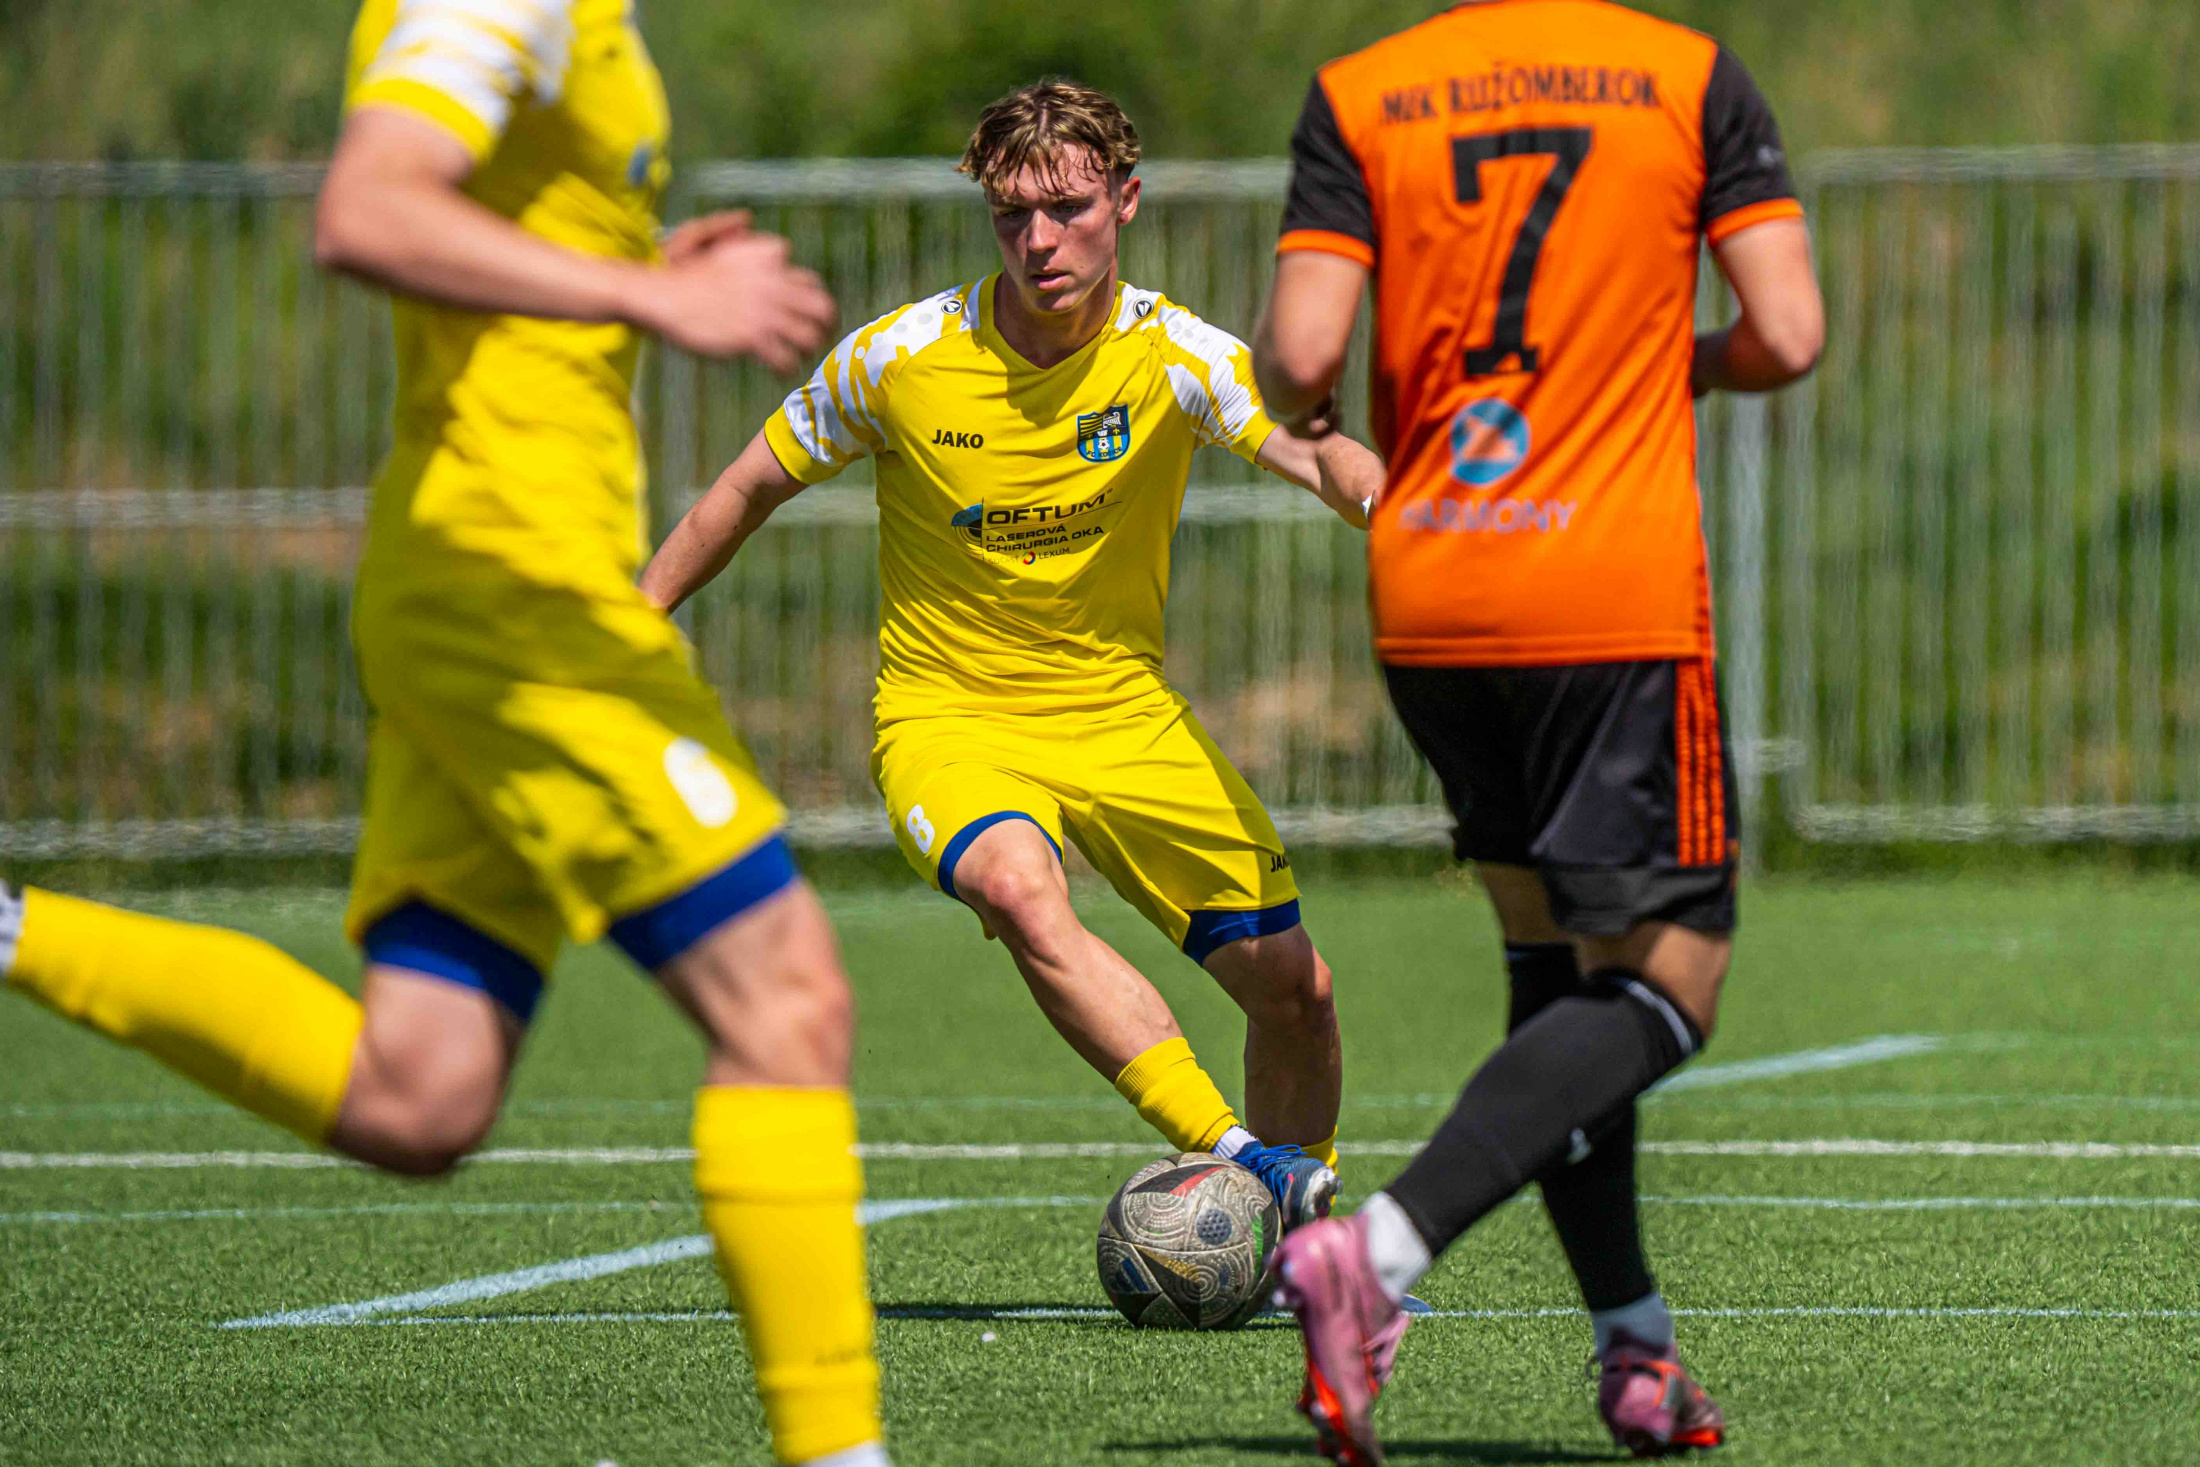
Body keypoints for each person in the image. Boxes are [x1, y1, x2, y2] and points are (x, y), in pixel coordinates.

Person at [0, 4, 889, 1464]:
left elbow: (495, 243)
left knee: (417, 1095)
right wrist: (652, 296)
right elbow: (367, 208)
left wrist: (635, 275)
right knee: (788, 999)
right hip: (514, 596)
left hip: (492, 590)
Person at [641, 80, 1387, 1229]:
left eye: (1068, 208)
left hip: (1123, 714)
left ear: (1124, 201)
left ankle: (1307, 1253)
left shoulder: (1174, 354)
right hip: (950, 720)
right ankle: (1246, 1161)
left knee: (1296, 993)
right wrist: (634, 624)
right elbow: (743, 488)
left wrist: (1400, 508)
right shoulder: (896, 360)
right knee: (1016, 888)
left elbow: (1318, 452)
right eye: (1010, 216)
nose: (1039, 241)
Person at [1251, 2, 1825, 1460]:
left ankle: (1635, 1348)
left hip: (1435, 590)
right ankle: (1373, 1254)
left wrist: (1312, 403)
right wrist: (1681, 364)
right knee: (1670, 984)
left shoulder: (1364, 91)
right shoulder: (1686, 77)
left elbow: (1299, 355)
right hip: (1607, 601)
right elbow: (1789, 334)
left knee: (1558, 977)